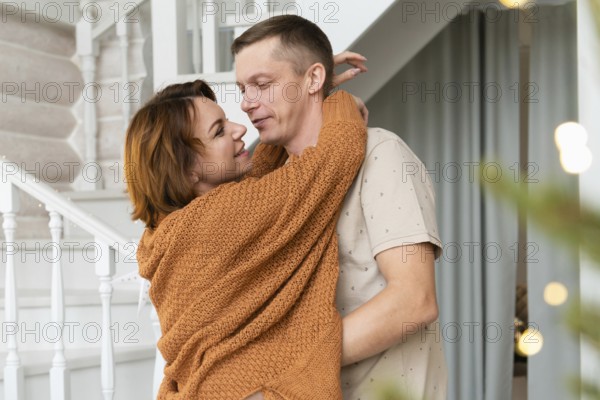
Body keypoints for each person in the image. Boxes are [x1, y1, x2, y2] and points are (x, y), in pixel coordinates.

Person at [232, 15, 448, 399]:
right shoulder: (272, 180)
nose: (247, 104)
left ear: (314, 79)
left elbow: (414, 301)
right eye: (243, 88)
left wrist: (287, 363)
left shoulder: (381, 155)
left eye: (262, 85)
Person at [125, 80, 366, 398]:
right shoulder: (222, 217)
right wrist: (339, 102)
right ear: (187, 171)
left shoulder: (167, 230)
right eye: (219, 131)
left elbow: (260, 175)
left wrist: (300, 87)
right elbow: (337, 155)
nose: (239, 128)